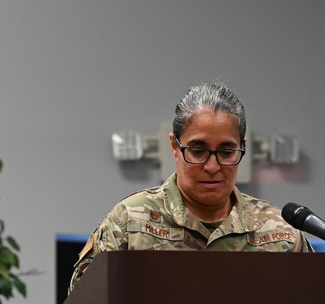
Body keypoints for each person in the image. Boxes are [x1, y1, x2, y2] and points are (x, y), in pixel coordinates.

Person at [70, 81, 312, 292]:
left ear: (243, 147)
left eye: (227, 152)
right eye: (198, 151)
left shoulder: (280, 230)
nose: (212, 166)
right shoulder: (131, 221)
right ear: (174, 147)